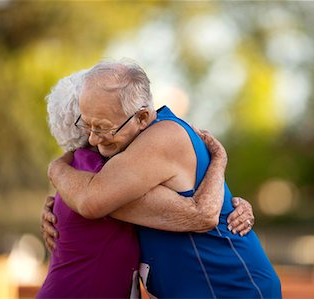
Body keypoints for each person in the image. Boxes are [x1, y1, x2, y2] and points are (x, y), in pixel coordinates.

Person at [47, 60, 282, 298]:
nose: (95, 140)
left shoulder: (161, 137)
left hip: (228, 289)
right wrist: (60, 206)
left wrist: (56, 169)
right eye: (88, 127)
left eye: (103, 128)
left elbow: (90, 200)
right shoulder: (126, 153)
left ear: (142, 118)